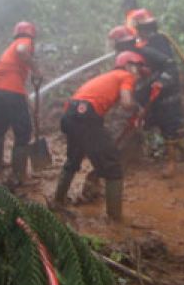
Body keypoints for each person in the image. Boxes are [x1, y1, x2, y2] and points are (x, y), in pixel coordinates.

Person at [53, 51, 146, 222]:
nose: (139, 72)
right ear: (128, 65)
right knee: (113, 167)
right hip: (86, 118)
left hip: (70, 115)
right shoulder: (126, 76)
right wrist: (137, 109)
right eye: (138, 67)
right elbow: (126, 103)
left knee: (73, 160)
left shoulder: (109, 76)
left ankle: (57, 202)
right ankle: (115, 219)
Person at [0, 21, 40, 185]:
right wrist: (36, 69)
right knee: (23, 132)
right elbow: (22, 51)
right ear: (31, 35)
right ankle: (18, 175)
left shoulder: (10, 47)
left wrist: (28, 104)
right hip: (10, 91)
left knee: (0, 127)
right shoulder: (24, 42)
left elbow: (11, 82)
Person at [132, 11, 184, 162]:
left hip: (168, 92)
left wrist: (161, 82)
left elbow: (170, 66)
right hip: (157, 92)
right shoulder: (146, 43)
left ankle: (172, 162)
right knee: (152, 122)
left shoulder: (157, 42)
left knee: (169, 127)